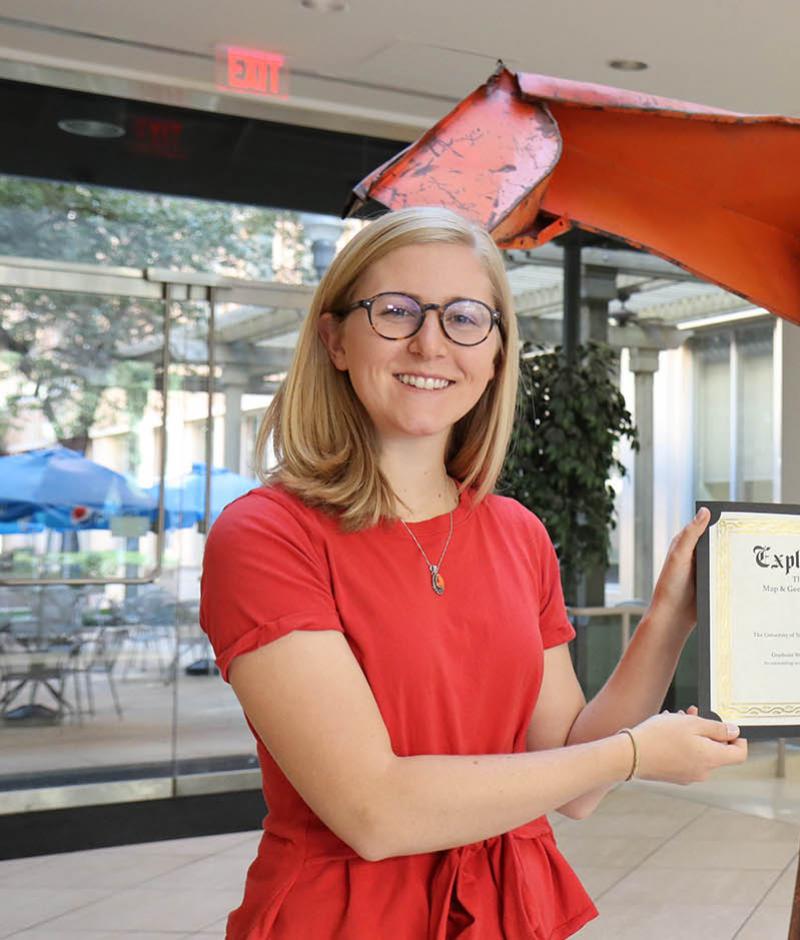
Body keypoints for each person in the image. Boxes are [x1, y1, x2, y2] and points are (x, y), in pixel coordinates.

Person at [200, 206, 746, 938]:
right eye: (395, 311)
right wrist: (637, 752)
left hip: (507, 912)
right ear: (335, 338)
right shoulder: (267, 535)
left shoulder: (515, 532)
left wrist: (670, 618)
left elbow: (573, 777)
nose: (431, 344)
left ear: (494, 353)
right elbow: (375, 811)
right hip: (348, 920)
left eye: (464, 318)